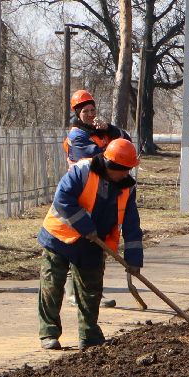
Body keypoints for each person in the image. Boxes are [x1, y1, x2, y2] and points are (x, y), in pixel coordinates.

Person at [37, 137, 144, 351]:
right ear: (110, 165)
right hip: (60, 237)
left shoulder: (126, 188)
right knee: (52, 286)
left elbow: (132, 224)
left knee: (91, 290)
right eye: (124, 170)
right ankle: (48, 333)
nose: (127, 174)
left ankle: (89, 335)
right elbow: (62, 199)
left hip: (94, 244)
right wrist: (85, 226)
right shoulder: (82, 171)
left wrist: (134, 260)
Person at [64, 89, 130, 162]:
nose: (90, 114)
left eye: (92, 110)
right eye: (85, 111)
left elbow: (127, 142)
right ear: (78, 115)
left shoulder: (100, 130)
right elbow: (98, 160)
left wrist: (109, 128)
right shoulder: (76, 136)